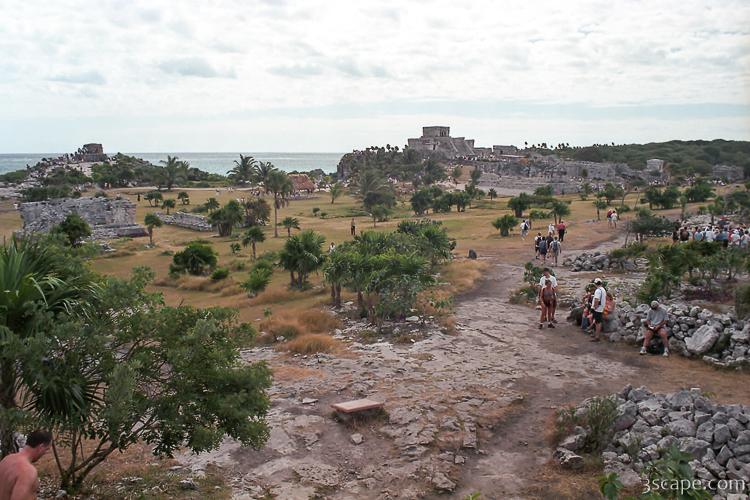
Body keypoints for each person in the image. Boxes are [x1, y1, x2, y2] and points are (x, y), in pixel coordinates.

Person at [0, 430, 53, 500]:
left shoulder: (7, 459)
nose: (45, 453)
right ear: (41, 447)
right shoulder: (28, 471)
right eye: (46, 449)